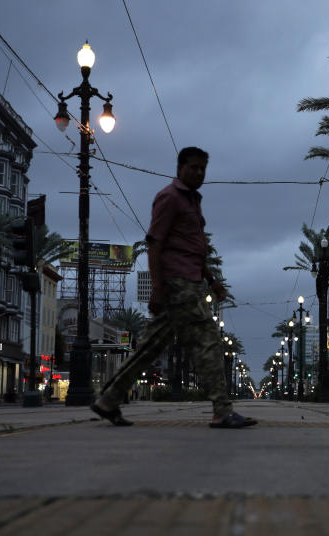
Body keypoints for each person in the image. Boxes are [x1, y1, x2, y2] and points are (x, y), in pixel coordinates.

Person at [90, 147, 257, 428]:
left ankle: (108, 400)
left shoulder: (192, 201)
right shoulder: (169, 198)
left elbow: (193, 247)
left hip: (189, 279)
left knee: (150, 347)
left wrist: (211, 279)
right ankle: (222, 410)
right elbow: (155, 243)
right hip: (179, 284)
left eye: (203, 168)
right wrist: (156, 289)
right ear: (180, 168)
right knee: (208, 341)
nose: (199, 173)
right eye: (193, 167)